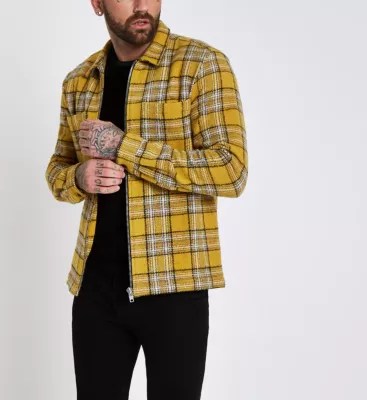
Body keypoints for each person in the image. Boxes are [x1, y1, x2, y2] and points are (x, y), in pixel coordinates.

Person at [45, 0, 248, 399]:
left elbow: (231, 169)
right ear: (98, 4)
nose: (142, 5)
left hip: (175, 285)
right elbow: (57, 170)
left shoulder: (201, 65)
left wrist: (124, 146)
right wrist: (79, 177)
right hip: (95, 288)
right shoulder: (80, 80)